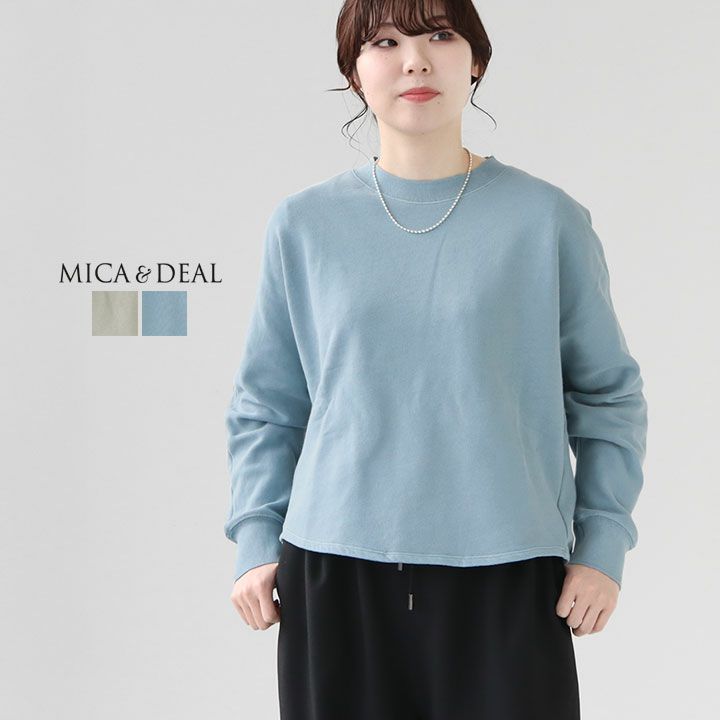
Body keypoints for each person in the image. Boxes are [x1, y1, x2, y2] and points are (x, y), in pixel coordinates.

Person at [224, 1, 648, 718]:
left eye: (439, 35)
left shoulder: (547, 220)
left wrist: (602, 545)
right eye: (385, 42)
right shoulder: (304, 225)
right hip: (335, 571)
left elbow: (608, 395)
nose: (415, 60)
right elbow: (267, 404)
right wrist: (257, 539)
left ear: (475, 60)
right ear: (354, 73)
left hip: (508, 569)